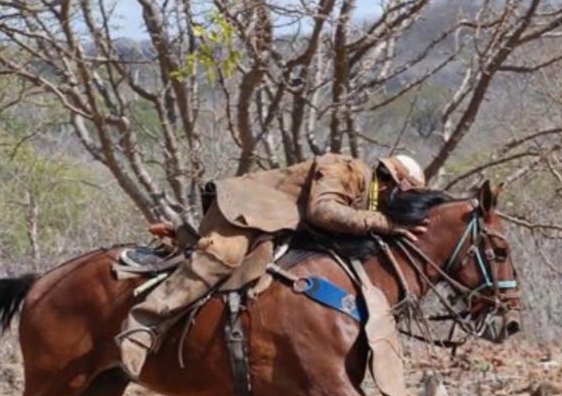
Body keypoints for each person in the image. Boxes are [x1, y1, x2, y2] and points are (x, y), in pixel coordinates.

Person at [116, 153, 427, 379]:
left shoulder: (367, 197)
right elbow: (323, 212)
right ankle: (142, 326)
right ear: (393, 184)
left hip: (274, 229)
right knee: (223, 256)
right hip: (242, 212)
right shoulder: (345, 169)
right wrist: (383, 223)